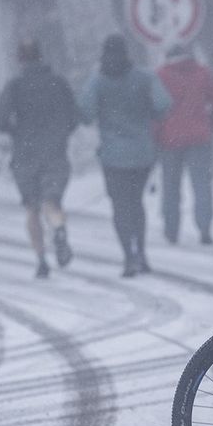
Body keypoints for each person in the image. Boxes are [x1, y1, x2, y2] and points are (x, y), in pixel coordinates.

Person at [79, 34, 172, 277]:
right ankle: (141, 252)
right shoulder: (144, 77)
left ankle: (128, 257)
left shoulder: (98, 82)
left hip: (112, 156)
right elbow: (164, 104)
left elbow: (85, 113)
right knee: (136, 203)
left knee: (120, 207)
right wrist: (147, 114)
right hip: (142, 152)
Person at [0, 39, 77, 279]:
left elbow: (1, 121)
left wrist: (17, 132)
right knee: (52, 201)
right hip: (55, 152)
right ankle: (58, 226)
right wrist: (60, 134)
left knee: (31, 208)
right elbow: (74, 116)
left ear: (20, 59)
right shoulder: (58, 83)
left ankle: (41, 260)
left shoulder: (14, 87)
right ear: (41, 56)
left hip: (25, 155)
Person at [155, 45, 213, 245]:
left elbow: (155, 109)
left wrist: (157, 134)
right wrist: (209, 125)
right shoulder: (202, 73)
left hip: (169, 140)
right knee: (202, 185)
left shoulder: (160, 76)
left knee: (170, 186)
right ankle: (204, 228)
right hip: (199, 138)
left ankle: (171, 230)